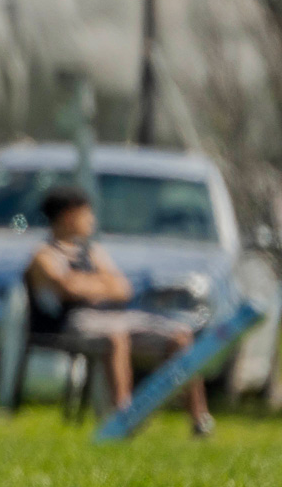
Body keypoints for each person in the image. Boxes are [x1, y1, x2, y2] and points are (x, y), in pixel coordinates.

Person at [24, 185, 213, 436]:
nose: (91, 220)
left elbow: (122, 288)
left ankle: (199, 419)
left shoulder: (92, 251)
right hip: (72, 323)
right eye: (86, 213)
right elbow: (66, 288)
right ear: (69, 215)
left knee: (179, 336)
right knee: (115, 337)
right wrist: (99, 283)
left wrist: (83, 283)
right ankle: (124, 417)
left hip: (112, 317)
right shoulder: (44, 255)